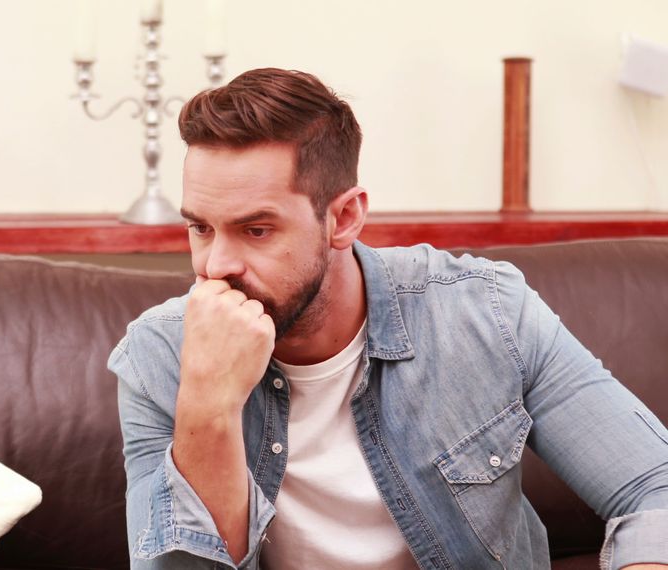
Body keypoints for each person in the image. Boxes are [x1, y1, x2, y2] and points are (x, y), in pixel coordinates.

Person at [107, 67, 668, 570]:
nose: (216, 266)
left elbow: (654, 486)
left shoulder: (487, 312)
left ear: (344, 217)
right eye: (200, 228)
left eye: (256, 230)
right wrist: (207, 403)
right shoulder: (158, 356)